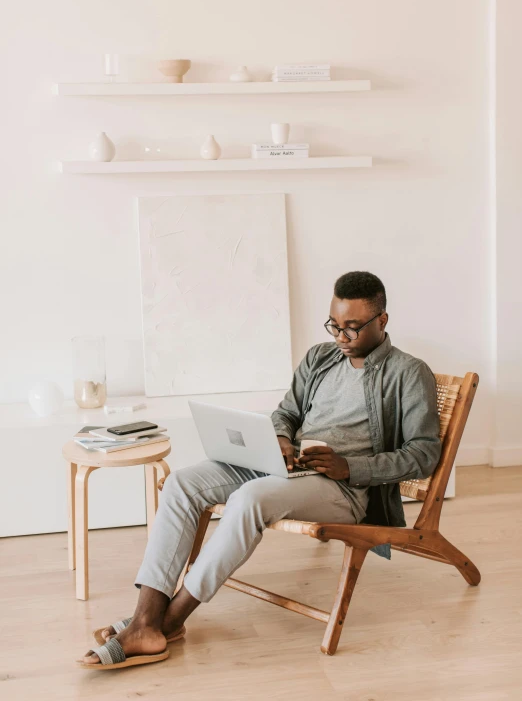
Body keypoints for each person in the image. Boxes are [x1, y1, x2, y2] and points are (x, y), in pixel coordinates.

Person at [78, 270, 441, 668]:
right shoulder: (320, 358)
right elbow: (285, 412)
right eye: (334, 325)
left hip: (344, 490)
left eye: (352, 328)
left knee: (250, 498)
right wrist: (282, 441)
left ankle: (169, 621)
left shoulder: (408, 372)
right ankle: (146, 619)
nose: (341, 337)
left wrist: (348, 466)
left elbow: (423, 454)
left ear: (382, 320)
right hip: (289, 469)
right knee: (182, 483)